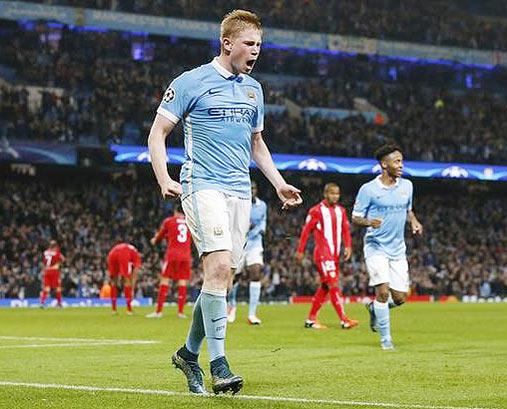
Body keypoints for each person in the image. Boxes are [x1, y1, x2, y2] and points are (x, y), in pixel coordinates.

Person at [147, 9, 302, 396]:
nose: (256, 51)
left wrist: (279, 183)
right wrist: (164, 177)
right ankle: (219, 365)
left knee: (222, 278)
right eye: (250, 44)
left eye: (260, 45)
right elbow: (157, 134)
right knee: (217, 268)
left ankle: (187, 353)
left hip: (239, 191)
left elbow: (257, 144)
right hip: (202, 186)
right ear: (227, 43)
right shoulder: (190, 82)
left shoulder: (254, 90)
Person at [352, 144, 423, 350]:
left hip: (398, 249)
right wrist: (369, 222)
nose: (401, 165)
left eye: (401, 161)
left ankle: (375, 309)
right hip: (376, 247)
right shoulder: (368, 189)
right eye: (397, 161)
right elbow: (356, 217)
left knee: (400, 298)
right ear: (384, 164)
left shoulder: (407, 186)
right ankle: (386, 340)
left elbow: (408, 210)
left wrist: (414, 222)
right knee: (383, 292)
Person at [296, 183, 358, 330]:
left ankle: (310, 320)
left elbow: (346, 231)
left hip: (335, 255)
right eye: (332, 193)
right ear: (325, 194)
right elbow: (306, 231)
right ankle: (344, 320)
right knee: (334, 284)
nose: (335, 196)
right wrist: (300, 250)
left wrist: (348, 246)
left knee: (325, 286)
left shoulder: (341, 211)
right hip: (323, 255)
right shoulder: (316, 211)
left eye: (337, 194)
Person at [227, 181, 267, 325]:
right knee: (234, 277)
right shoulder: (236, 203)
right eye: (249, 188)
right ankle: (231, 306)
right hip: (238, 243)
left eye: (253, 188)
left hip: (255, 243)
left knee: (256, 273)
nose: (251, 190)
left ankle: (252, 314)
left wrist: (257, 230)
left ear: (256, 190)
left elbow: (263, 223)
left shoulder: (262, 206)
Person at [146, 204, 193, 319]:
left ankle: (158, 312)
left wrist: (154, 240)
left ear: (175, 212)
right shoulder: (189, 222)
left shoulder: (169, 221)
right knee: (182, 283)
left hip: (172, 255)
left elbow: (159, 237)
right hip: (186, 256)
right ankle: (180, 312)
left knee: (165, 281)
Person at [106, 242, 141, 315]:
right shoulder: (137, 257)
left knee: (113, 281)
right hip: (123, 253)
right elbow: (135, 274)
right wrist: (132, 289)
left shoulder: (131, 249)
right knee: (127, 280)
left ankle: (113, 310)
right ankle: (129, 310)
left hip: (112, 253)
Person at [39, 240, 65, 308]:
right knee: (57, 288)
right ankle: (59, 303)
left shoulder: (45, 252)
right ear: (55, 246)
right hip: (54, 271)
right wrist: (58, 264)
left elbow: (43, 261)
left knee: (46, 288)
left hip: (47, 270)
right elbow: (63, 259)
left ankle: (42, 302)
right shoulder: (57, 253)